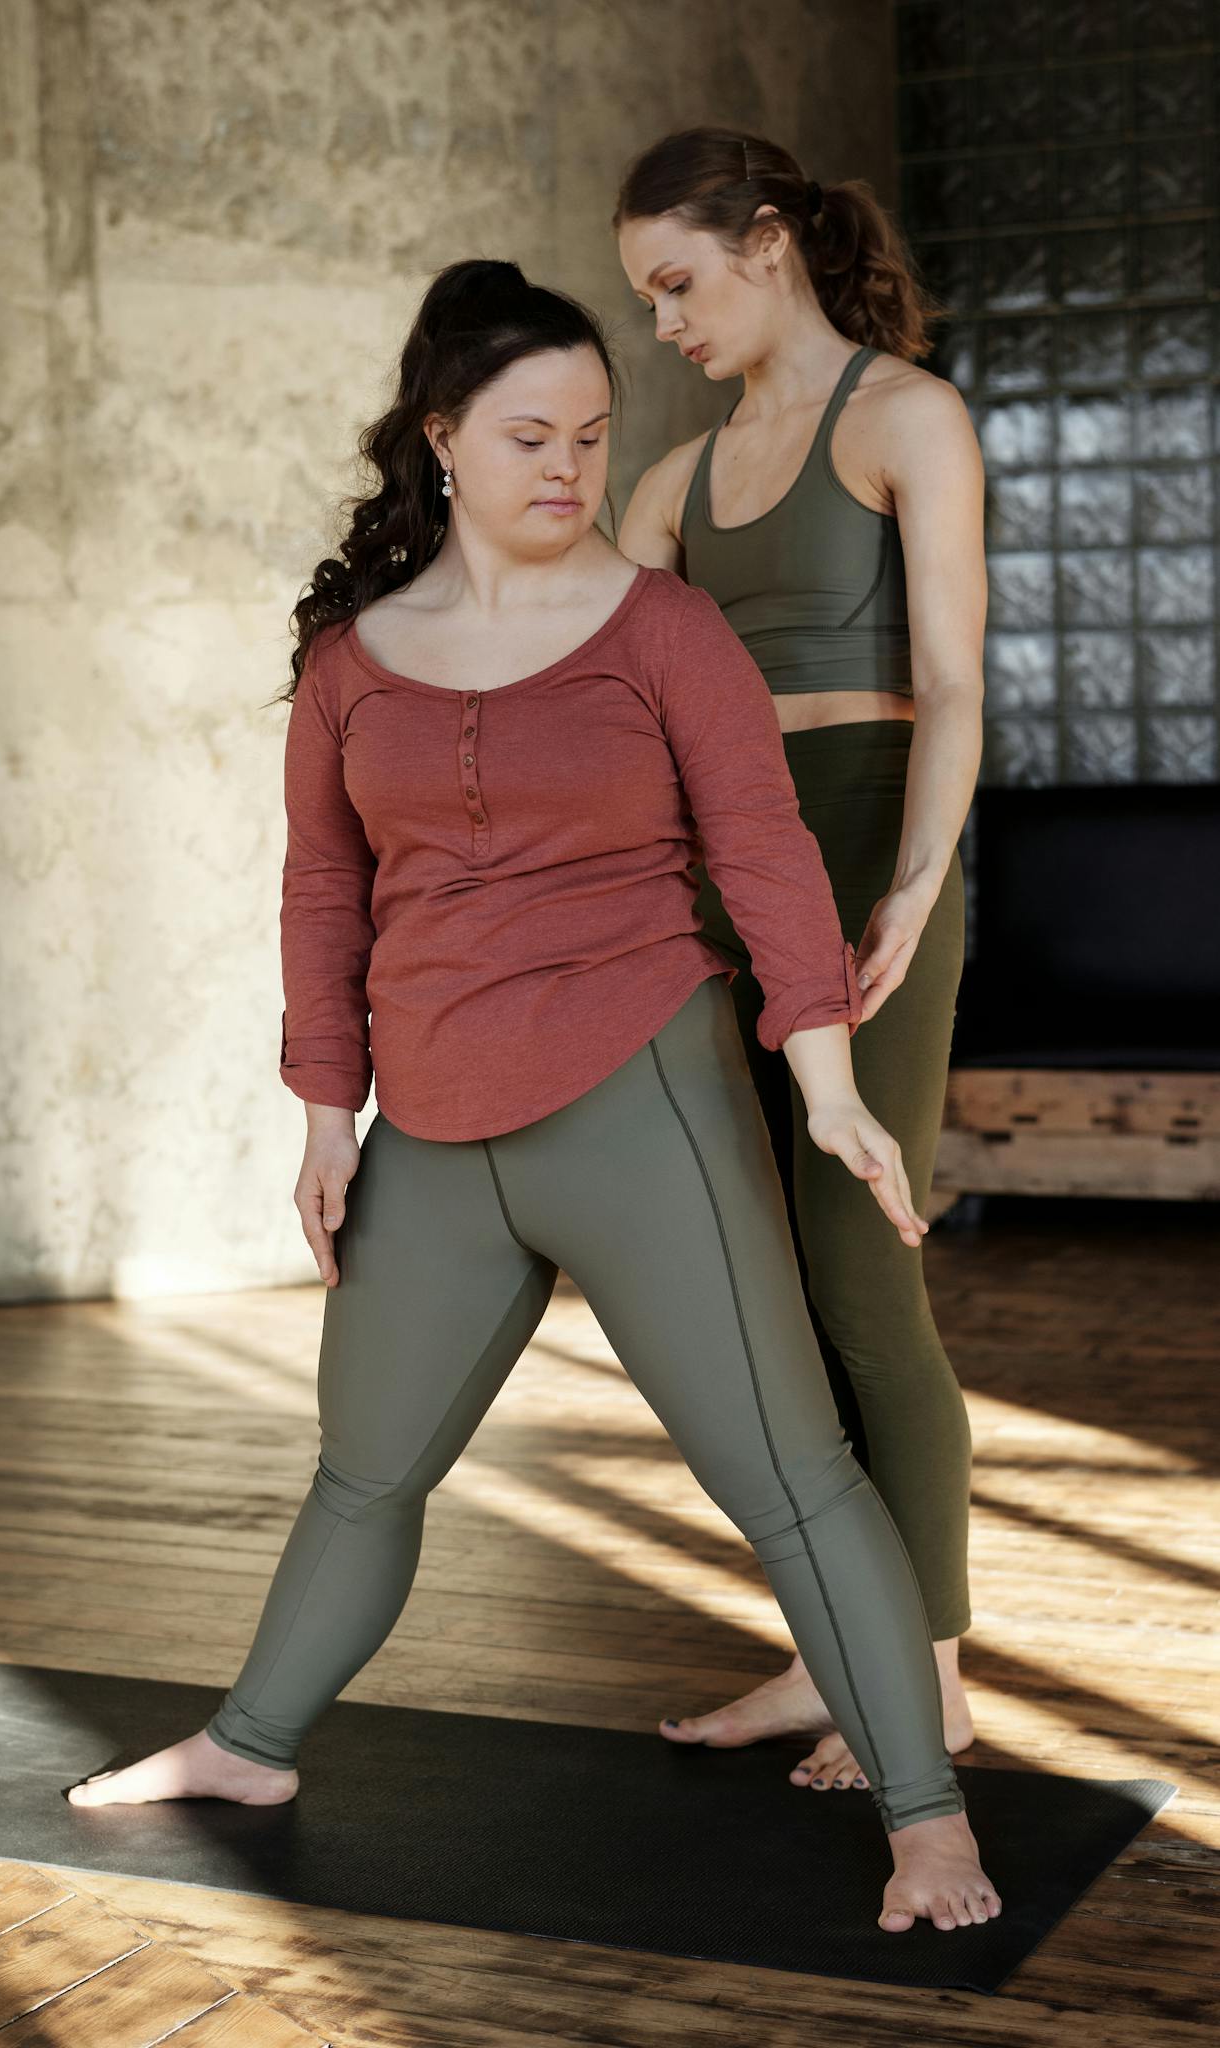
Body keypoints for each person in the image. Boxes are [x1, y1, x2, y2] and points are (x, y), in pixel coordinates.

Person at [65, 259, 1000, 1936]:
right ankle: (248, 1745)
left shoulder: (665, 628)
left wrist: (825, 1083)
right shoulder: (352, 660)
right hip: (431, 1125)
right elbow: (323, 892)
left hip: (644, 1097)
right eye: (529, 437)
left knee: (790, 1478)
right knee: (364, 1472)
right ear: (441, 438)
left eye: (590, 434)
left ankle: (927, 1821)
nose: (569, 467)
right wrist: (325, 1116)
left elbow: (765, 853)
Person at [614, 128, 986, 1796]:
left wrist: (913, 885)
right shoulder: (668, 488)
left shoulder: (906, 418)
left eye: (678, 284)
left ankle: (933, 1682)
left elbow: (953, 684)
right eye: (647, 299)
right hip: (719, 882)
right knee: (762, 1304)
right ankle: (826, 1650)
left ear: (767, 242)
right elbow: (605, 716)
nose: (665, 324)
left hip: (869, 854)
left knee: (860, 1277)